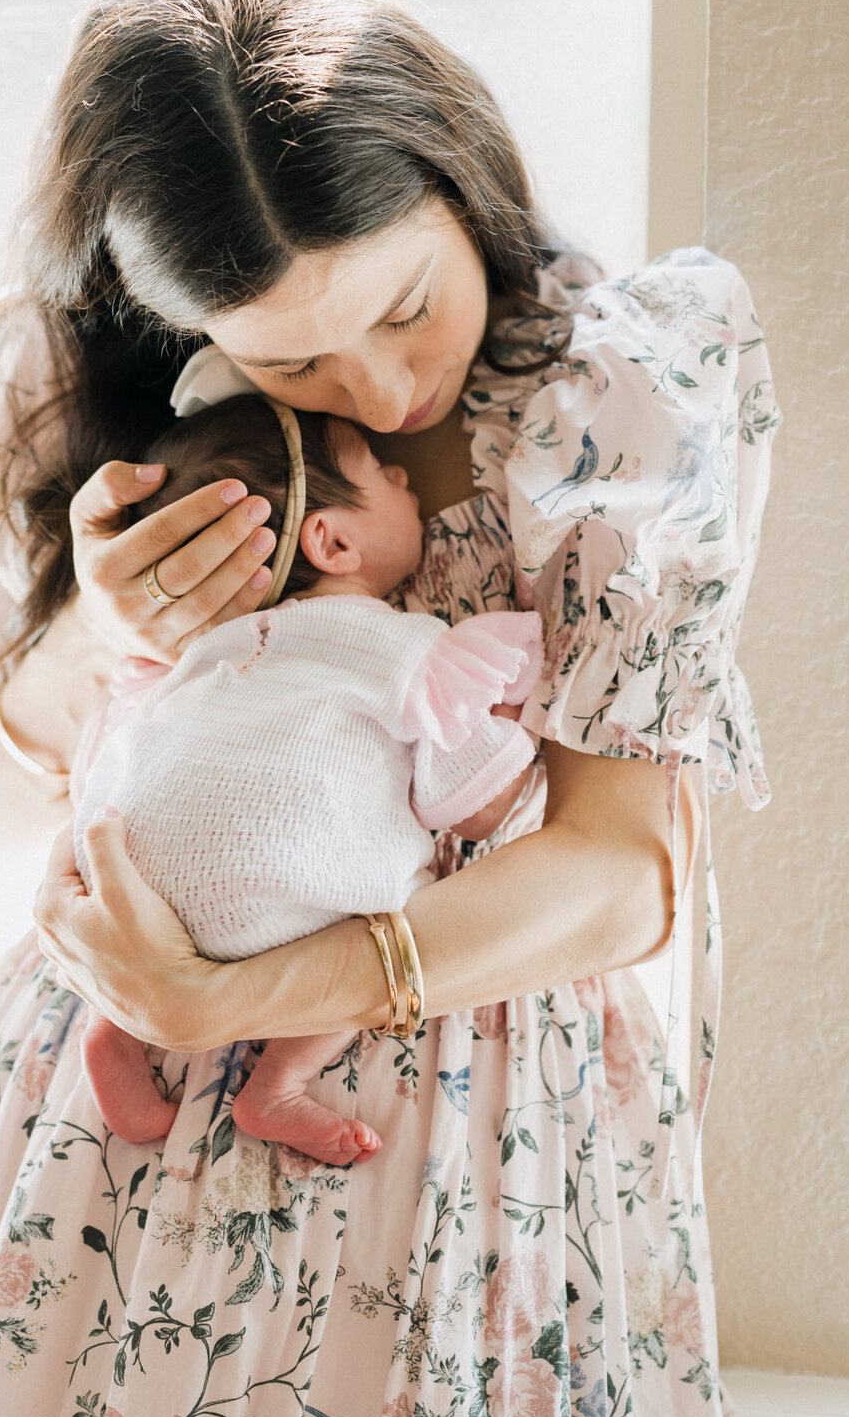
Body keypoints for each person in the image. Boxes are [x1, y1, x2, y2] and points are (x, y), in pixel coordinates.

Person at [0, 0, 778, 1417]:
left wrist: (239, 993)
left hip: (460, 1145)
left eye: (407, 308)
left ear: (454, 169)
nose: (379, 386)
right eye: (291, 356)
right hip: (78, 1141)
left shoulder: (621, 403)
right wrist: (107, 640)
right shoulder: (138, 419)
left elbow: (626, 875)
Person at [68, 393, 542, 1165]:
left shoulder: (197, 654)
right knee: (381, 923)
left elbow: (113, 743)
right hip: (282, 907)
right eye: (377, 469)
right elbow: (476, 806)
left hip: (137, 898)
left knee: (145, 897)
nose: (398, 468)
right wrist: (515, 738)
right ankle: (276, 1086)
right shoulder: (396, 644)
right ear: (330, 541)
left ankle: (110, 1027)